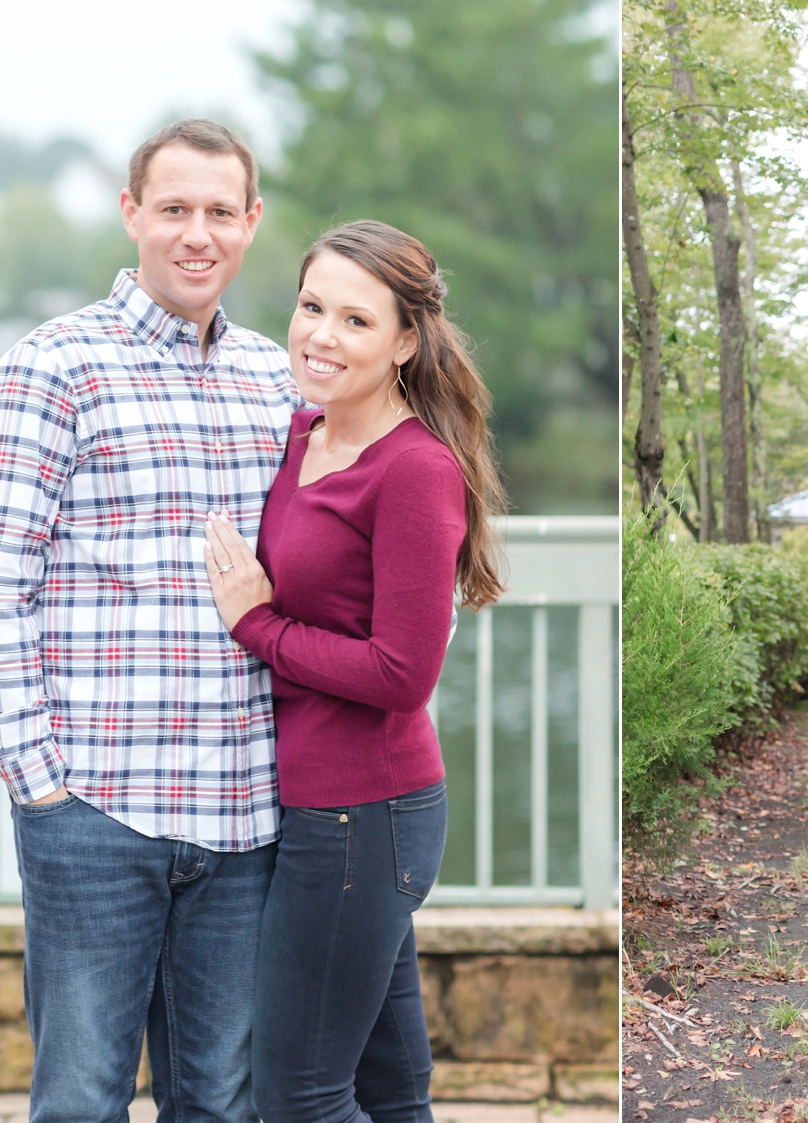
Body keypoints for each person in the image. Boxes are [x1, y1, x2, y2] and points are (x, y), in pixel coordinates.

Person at [0, 120, 295, 1123]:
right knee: (80, 1100)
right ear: (132, 213)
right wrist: (40, 782)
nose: (199, 233)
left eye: (221, 212)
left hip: (245, 817)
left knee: (223, 1103)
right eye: (176, 208)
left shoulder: (278, 378)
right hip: (96, 810)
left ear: (251, 223)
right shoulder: (51, 365)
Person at [200, 220, 505, 1123]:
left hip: (359, 819)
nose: (321, 336)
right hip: (326, 812)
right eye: (311, 307)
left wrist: (256, 623)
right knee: (388, 1093)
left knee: (298, 1096)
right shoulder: (302, 437)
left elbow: (402, 672)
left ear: (407, 340)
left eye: (356, 320)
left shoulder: (414, 470)